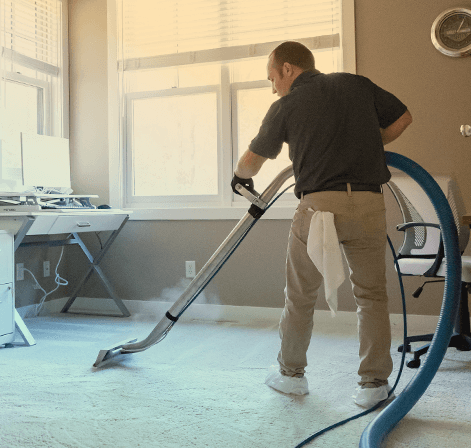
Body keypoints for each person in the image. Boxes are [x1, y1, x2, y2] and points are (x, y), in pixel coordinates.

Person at [231, 41, 412, 408]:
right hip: (368, 202)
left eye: (272, 77)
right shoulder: (356, 84)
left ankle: (291, 376)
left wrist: (238, 178)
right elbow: (403, 117)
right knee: (372, 295)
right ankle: (373, 384)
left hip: (319, 209)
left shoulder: (286, 105)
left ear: (287, 69)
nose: (272, 87)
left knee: (301, 295)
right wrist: (366, 142)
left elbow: (252, 161)